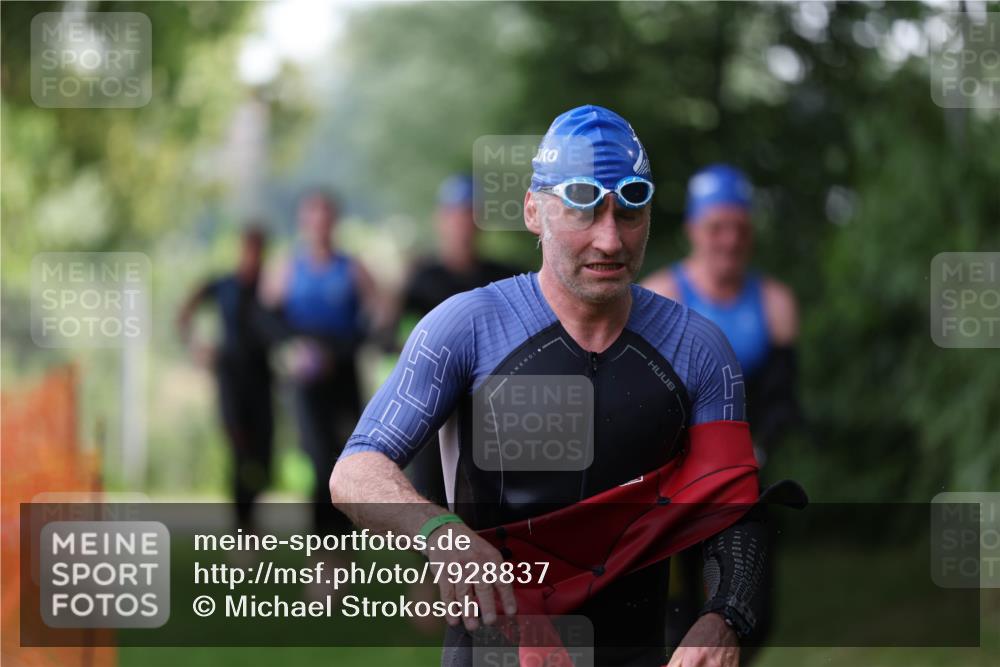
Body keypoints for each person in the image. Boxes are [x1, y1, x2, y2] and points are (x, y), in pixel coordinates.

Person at [330, 106, 788, 667]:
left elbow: (734, 513)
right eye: (583, 210)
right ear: (532, 210)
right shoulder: (465, 327)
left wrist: (724, 620)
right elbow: (355, 471)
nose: (610, 240)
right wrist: (442, 534)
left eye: (629, 212)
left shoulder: (697, 348)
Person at [642, 165, 801, 655]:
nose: (729, 240)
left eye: (740, 228)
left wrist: (755, 448)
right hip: (671, 482)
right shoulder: (659, 297)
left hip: (743, 477)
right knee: (674, 614)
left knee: (749, 612)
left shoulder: (774, 302)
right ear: (694, 229)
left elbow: (785, 400)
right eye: (717, 227)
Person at [264, 189, 379, 538]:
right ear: (303, 222)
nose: (319, 226)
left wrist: (338, 354)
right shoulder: (287, 266)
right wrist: (293, 348)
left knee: (347, 459)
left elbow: (377, 318)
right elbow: (265, 318)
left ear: (334, 223)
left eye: (325, 218)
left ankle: (343, 546)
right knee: (317, 458)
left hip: (343, 375)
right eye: (312, 218)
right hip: (305, 379)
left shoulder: (352, 267)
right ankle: (323, 548)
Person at [399, 174, 518, 506]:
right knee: (432, 500)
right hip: (433, 410)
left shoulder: (504, 277)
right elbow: (394, 338)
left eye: (470, 214)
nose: (463, 224)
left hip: (491, 413)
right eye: (456, 214)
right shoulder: (422, 281)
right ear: (441, 220)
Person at [177, 226, 274, 531]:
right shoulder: (223, 285)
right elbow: (184, 312)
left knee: (263, 453)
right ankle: (243, 526)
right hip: (230, 379)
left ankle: (253, 513)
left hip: (263, 379)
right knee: (239, 450)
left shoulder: (268, 288)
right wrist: (196, 347)